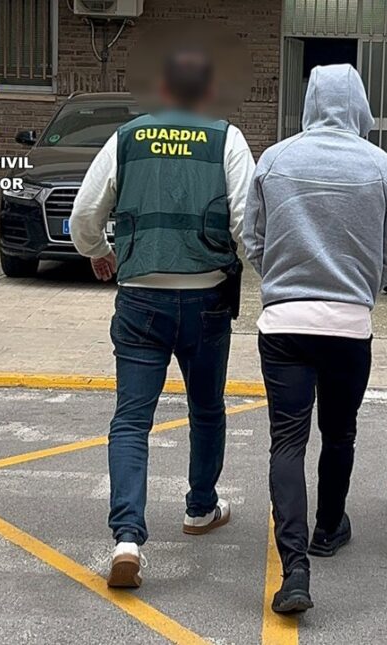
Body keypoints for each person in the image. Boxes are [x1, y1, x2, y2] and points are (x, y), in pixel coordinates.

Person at [69, 47, 255, 588]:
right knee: (206, 408)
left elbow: (84, 215)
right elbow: (246, 222)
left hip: (139, 299)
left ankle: (127, 539)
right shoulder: (226, 139)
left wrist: (98, 251)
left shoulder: (126, 138)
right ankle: (200, 508)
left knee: (131, 419)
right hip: (207, 298)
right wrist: (258, 270)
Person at [244, 64, 387, 613]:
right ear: (359, 105)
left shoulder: (275, 160)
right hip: (348, 325)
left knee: (287, 442)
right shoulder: (384, 167)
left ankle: (294, 569)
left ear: (311, 102)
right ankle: (329, 527)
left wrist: (281, 280)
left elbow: (253, 239)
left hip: (284, 324)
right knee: (339, 433)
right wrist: (360, 289)